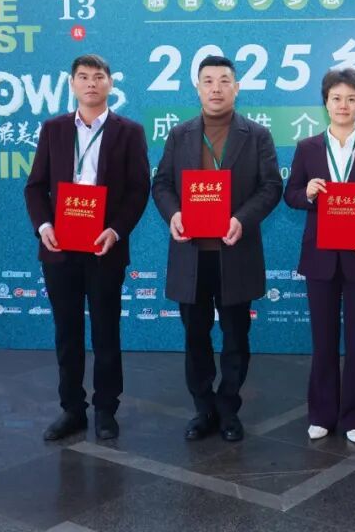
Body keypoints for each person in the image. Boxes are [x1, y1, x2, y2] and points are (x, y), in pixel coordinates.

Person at [152, 55, 283, 443]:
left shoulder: (256, 135)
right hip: (191, 254)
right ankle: (203, 408)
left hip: (234, 252)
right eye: (208, 81)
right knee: (195, 336)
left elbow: (271, 187)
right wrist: (174, 214)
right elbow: (162, 184)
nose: (216, 88)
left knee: (235, 336)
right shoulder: (179, 135)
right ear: (197, 88)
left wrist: (242, 218)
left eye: (224, 80)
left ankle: (228, 408)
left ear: (236, 88)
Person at [24, 53, 150, 441]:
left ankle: (106, 409)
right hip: (60, 246)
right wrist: (44, 226)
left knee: (106, 330)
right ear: (72, 83)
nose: (91, 83)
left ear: (110, 83)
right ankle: (72, 409)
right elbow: (35, 187)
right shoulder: (54, 129)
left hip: (103, 246)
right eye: (83, 76)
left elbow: (138, 189)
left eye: (98, 76)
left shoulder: (129, 132)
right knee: (67, 331)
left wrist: (116, 230)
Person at [284, 68, 355, 444]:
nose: (343, 105)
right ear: (326, 103)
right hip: (320, 257)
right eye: (336, 98)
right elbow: (290, 194)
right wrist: (308, 194)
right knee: (323, 340)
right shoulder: (307, 148)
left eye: (351, 99)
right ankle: (321, 413)